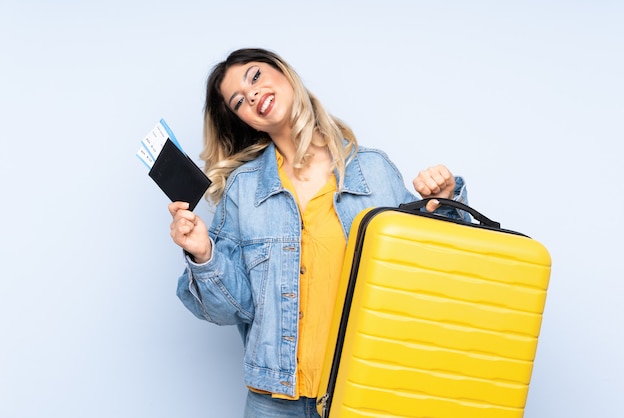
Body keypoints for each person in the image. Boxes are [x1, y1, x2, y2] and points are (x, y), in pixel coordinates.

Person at [168, 48, 469, 418]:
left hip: (365, 392)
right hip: (275, 403)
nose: (252, 96)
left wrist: (445, 203)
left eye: (256, 77)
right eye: (239, 101)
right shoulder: (243, 191)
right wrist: (203, 254)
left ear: (284, 72)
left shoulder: (373, 172)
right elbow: (237, 308)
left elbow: (431, 273)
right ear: (245, 120)